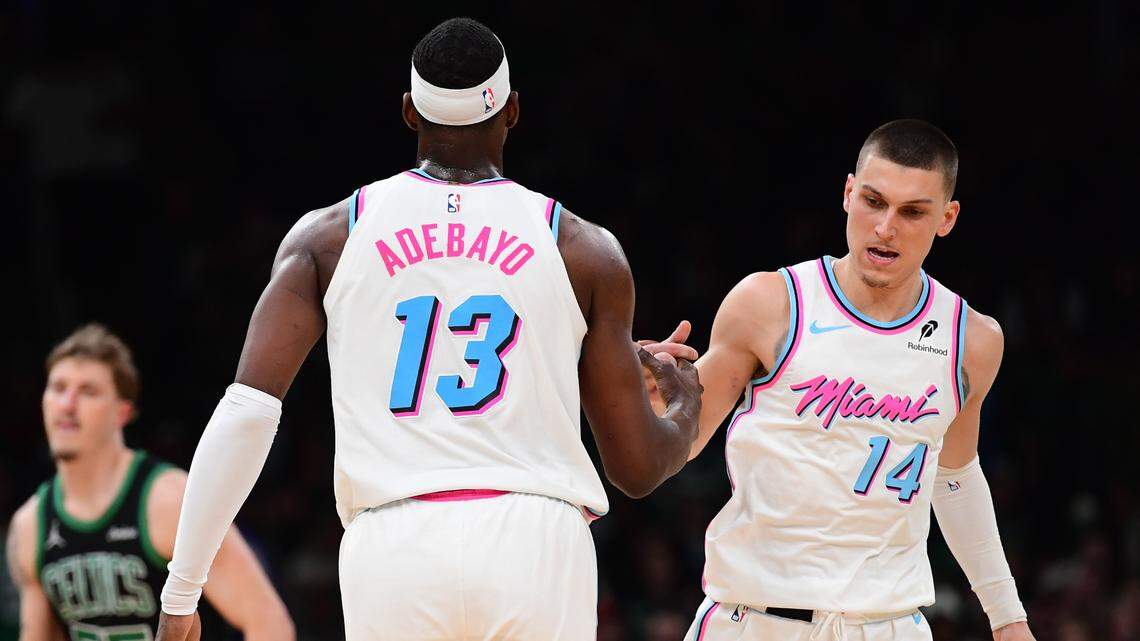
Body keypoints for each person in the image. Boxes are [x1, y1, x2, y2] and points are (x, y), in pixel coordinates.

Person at [154, 17, 701, 641]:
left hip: (393, 541)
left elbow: (248, 413)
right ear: (513, 111)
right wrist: (684, 400)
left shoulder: (330, 236)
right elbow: (635, 469)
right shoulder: (584, 249)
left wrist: (183, 589)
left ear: (410, 112)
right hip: (533, 539)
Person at [643, 120, 1036, 640]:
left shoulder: (973, 341)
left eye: (912, 211)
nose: (886, 227)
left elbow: (955, 476)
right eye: (873, 201)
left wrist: (1008, 618)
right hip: (756, 618)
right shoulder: (770, 303)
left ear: (947, 218)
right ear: (848, 194)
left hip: (890, 624)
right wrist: (642, 401)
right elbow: (677, 443)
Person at [6, 323, 294, 641]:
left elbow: (268, 623)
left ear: (122, 412)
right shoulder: (30, 524)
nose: (68, 404)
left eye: (88, 391)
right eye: (58, 388)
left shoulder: (168, 499)